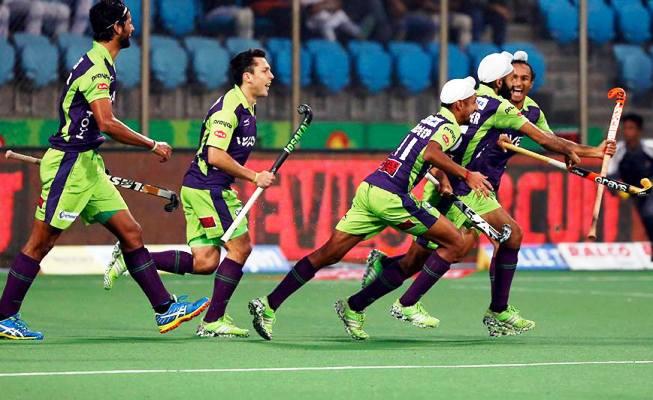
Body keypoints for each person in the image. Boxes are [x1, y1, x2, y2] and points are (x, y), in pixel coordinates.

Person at [360, 51, 616, 337]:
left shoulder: (527, 110)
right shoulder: (488, 104)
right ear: (501, 81)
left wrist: (592, 151)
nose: (517, 82)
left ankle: (494, 309)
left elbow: (549, 141)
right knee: (426, 257)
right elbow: (544, 141)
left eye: (523, 78)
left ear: (532, 83)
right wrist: (570, 150)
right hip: (460, 181)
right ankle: (397, 298)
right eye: (512, 77)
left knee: (503, 237)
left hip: (481, 187)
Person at [0, 0, 209, 341]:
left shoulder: (101, 63)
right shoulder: (97, 68)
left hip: (88, 166)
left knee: (131, 232)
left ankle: (164, 308)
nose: (132, 24)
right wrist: (151, 144)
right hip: (69, 167)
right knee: (40, 243)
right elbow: (107, 123)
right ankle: (5, 315)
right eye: (128, 20)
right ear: (116, 28)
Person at [248, 76, 493, 341]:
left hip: (370, 190)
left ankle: (271, 304)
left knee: (327, 254)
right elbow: (431, 153)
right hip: (392, 197)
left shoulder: (430, 121)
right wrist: (467, 175)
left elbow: (427, 155)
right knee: (457, 243)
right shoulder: (450, 128)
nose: (476, 108)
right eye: (472, 103)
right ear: (458, 105)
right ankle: (407, 302)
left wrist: (444, 179)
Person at [104, 49, 276, 338]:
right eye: (265, 71)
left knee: (206, 262)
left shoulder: (247, 107)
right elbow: (215, 155)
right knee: (240, 248)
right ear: (248, 77)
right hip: (209, 189)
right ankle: (213, 321)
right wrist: (254, 176)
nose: (271, 76)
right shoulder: (228, 109)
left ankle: (133, 256)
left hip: (204, 188)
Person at [607, 113, 653, 259]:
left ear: (639, 131)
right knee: (646, 220)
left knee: (649, 213)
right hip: (634, 192)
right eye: (625, 128)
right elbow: (610, 175)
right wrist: (620, 190)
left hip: (651, 188)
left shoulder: (649, 147)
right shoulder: (618, 151)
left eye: (631, 128)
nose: (628, 132)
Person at [5, 0, 70, 36]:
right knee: (36, 7)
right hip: (11, 3)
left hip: (35, 3)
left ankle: (59, 48)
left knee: (64, 10)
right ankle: (33, 44)